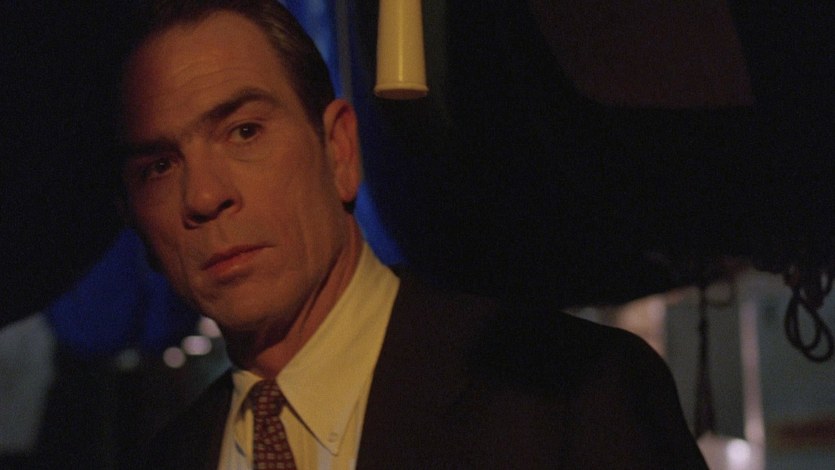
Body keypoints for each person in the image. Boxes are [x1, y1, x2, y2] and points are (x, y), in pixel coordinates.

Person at [117, 1, 707, 468]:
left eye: (244, 131)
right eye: (159, 166)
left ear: (339, 150)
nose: (203, 195)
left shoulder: (571, 399)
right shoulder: (167, 457)